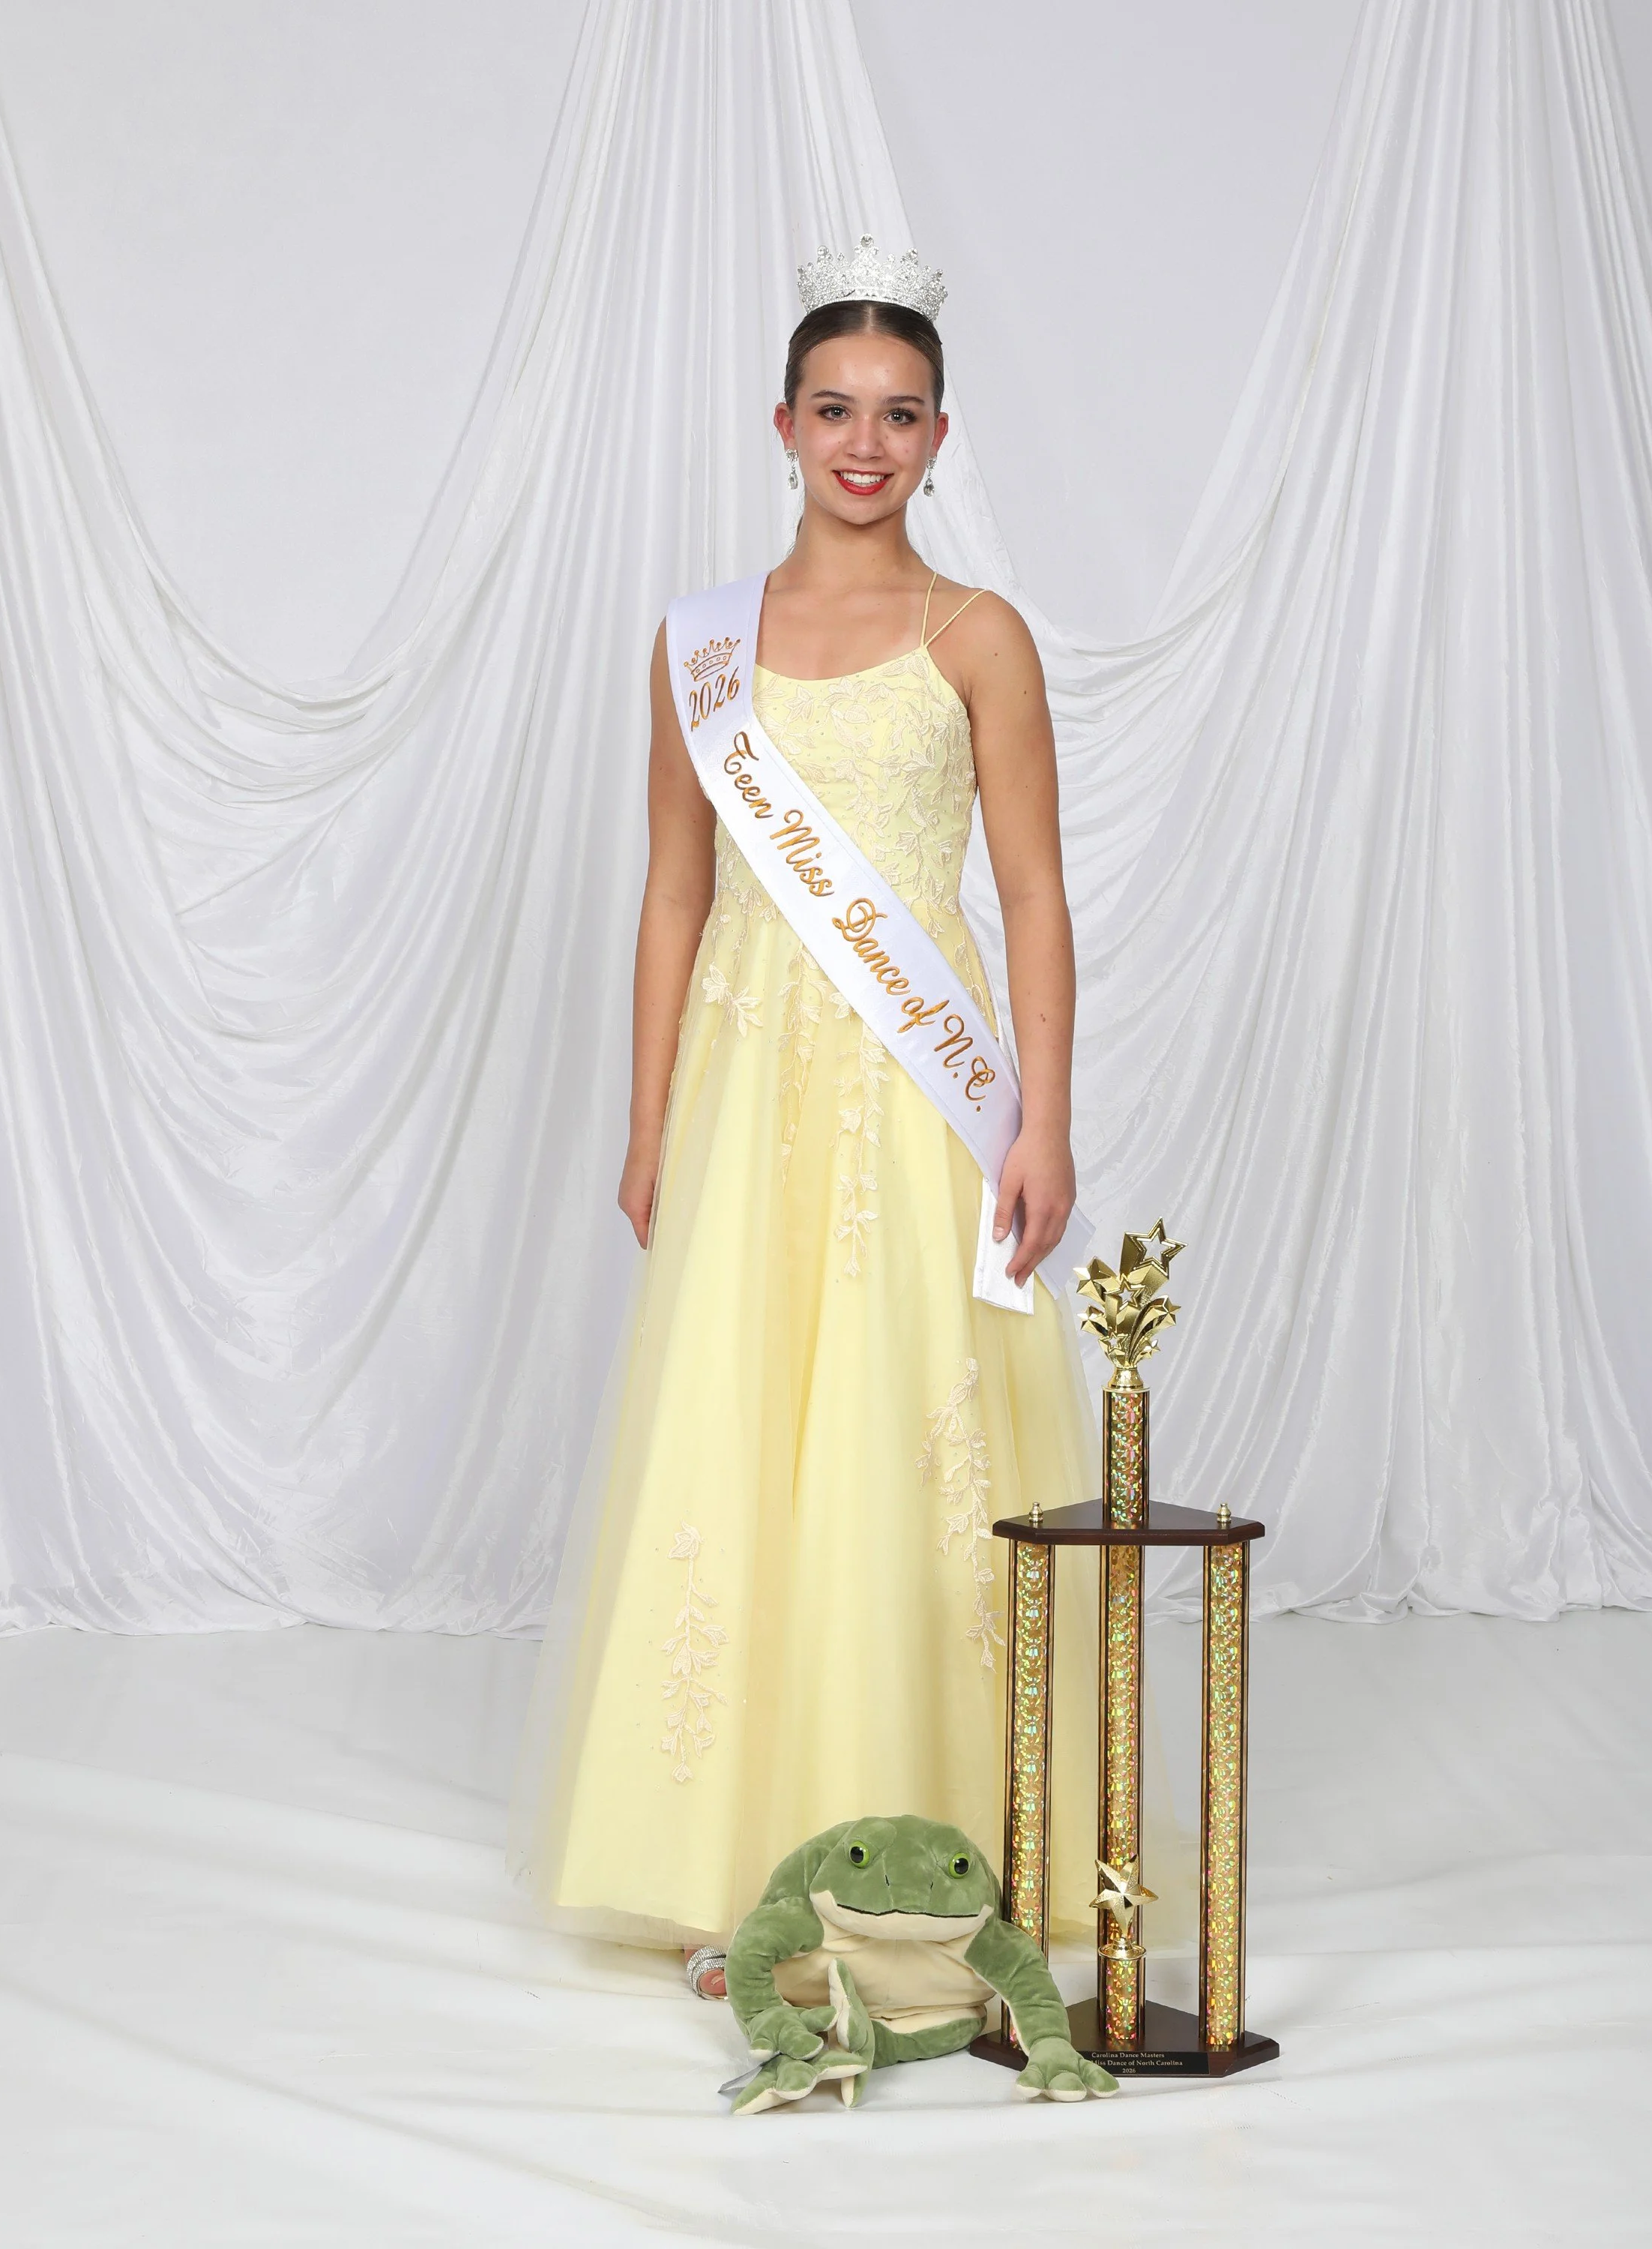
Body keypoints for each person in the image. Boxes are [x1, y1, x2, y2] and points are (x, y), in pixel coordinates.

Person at [507, 241, 1112, 2003]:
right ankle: (735, 1863)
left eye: (900, 415)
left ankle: (927, 1853)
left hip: (921, 1098)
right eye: (835, 410)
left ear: (940, 438)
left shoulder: (978, 638)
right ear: (782, 425)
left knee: (900, 1439)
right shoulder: (701, 648)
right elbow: (673, 893)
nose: (866, 444)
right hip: (751, 1088)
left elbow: (1035, 894)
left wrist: (1046, 1122)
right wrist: (650, 1121)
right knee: (742, 1434)